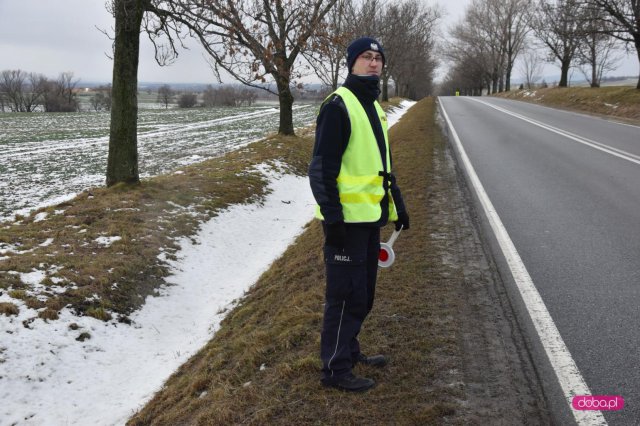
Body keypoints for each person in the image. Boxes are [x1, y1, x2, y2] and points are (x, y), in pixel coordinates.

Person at [308, 36, 410, 392]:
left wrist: (397, 206)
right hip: (345, 223)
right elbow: (321, 168)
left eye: (378, 57)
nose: (373, 63)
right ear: (351, 63)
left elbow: (383, 167)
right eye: (366, 57)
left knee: (363, 294)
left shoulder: (374, 106)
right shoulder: (339, 105)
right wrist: (332, 218)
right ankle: (335, 370)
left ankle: (349, 352)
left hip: (369, 219)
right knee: (344, 296)